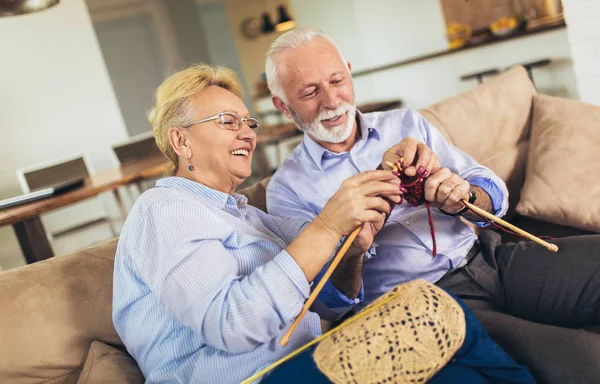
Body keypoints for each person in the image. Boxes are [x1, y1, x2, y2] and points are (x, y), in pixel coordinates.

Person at [112, 64, 533, 384]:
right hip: (254, 379)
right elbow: (232, 325)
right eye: (227, 122)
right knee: (427, 314)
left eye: (248, 122)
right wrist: (329, 226)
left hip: (308, 359)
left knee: (445, 338)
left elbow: (336, 300)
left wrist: (355, 242)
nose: (247, 133)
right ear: (181, 139)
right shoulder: (164, 208)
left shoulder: (251, 218)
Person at [264, 27, 600, 383]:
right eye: (310, 92)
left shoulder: (405, 122)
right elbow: (329, 304)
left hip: (490, 258)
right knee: (584, 360)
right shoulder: (286, 189)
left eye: (337, 80)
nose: (332, 100)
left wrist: (465, 197)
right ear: (282, 105)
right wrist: (353, 251)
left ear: (349, 71)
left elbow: (492, 193)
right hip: (428, 306)